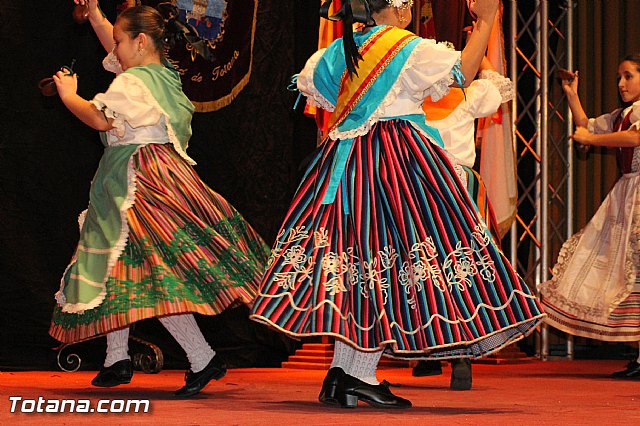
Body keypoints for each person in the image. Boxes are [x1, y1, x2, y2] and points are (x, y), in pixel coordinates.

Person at [250, 0, 544, 409]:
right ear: (402, 12)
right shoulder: (407, 47)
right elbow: (463, 71)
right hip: (393, 160)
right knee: (385, 259)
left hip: (343, 159)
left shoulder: (341, 48)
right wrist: (488, 21)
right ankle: (360, 374)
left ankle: (341, 372)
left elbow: (311, 85)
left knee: (356, 261)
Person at [49, 1, 269, 397]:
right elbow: (120, 60)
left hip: (138, 180)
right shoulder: (160, 75)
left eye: (119, 41)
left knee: (152, 273)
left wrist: (69, 94)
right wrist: (97, 16)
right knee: (122, 269)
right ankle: (117, 357)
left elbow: (100, 118)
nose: (113, 50)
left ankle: (202, 357)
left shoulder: (131, 84)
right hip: (157, 172)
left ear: (141, 40)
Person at [413, 54, 515, 388]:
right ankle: (461, 355)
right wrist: (483, 59)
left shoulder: (413, 102)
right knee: (461, 267)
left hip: (424, 186)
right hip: (458, 187)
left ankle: (429, 348)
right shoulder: (466, 97)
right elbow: (499, 87)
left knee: (426, 266)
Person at [539, 54, 640, 379]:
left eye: (628, 76)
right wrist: (572, 94)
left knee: (634, 267)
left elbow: (635, 138)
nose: (621, 84)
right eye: (619, 78)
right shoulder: (624, 113)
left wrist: (592, 140)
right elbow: (587, 125)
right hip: (627, 191)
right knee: (625, 269)